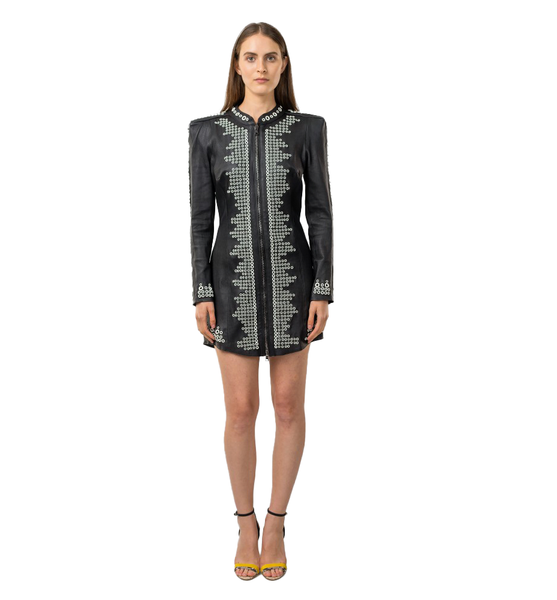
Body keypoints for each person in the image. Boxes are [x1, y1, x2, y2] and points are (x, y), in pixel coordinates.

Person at [188, 22, 334, 581]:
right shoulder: (207, 132)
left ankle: (276, 522)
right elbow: (201, 220)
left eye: (271, 58)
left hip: (296, 286)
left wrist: (323, 287)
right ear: (236, 65)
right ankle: (244, 523)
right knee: (241, 410)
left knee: (289, 406)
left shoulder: (307, 129)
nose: (261, 68)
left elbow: (320, 212)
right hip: (230, 287)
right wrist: (201, 290)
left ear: (284, 65)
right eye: (250, 58)